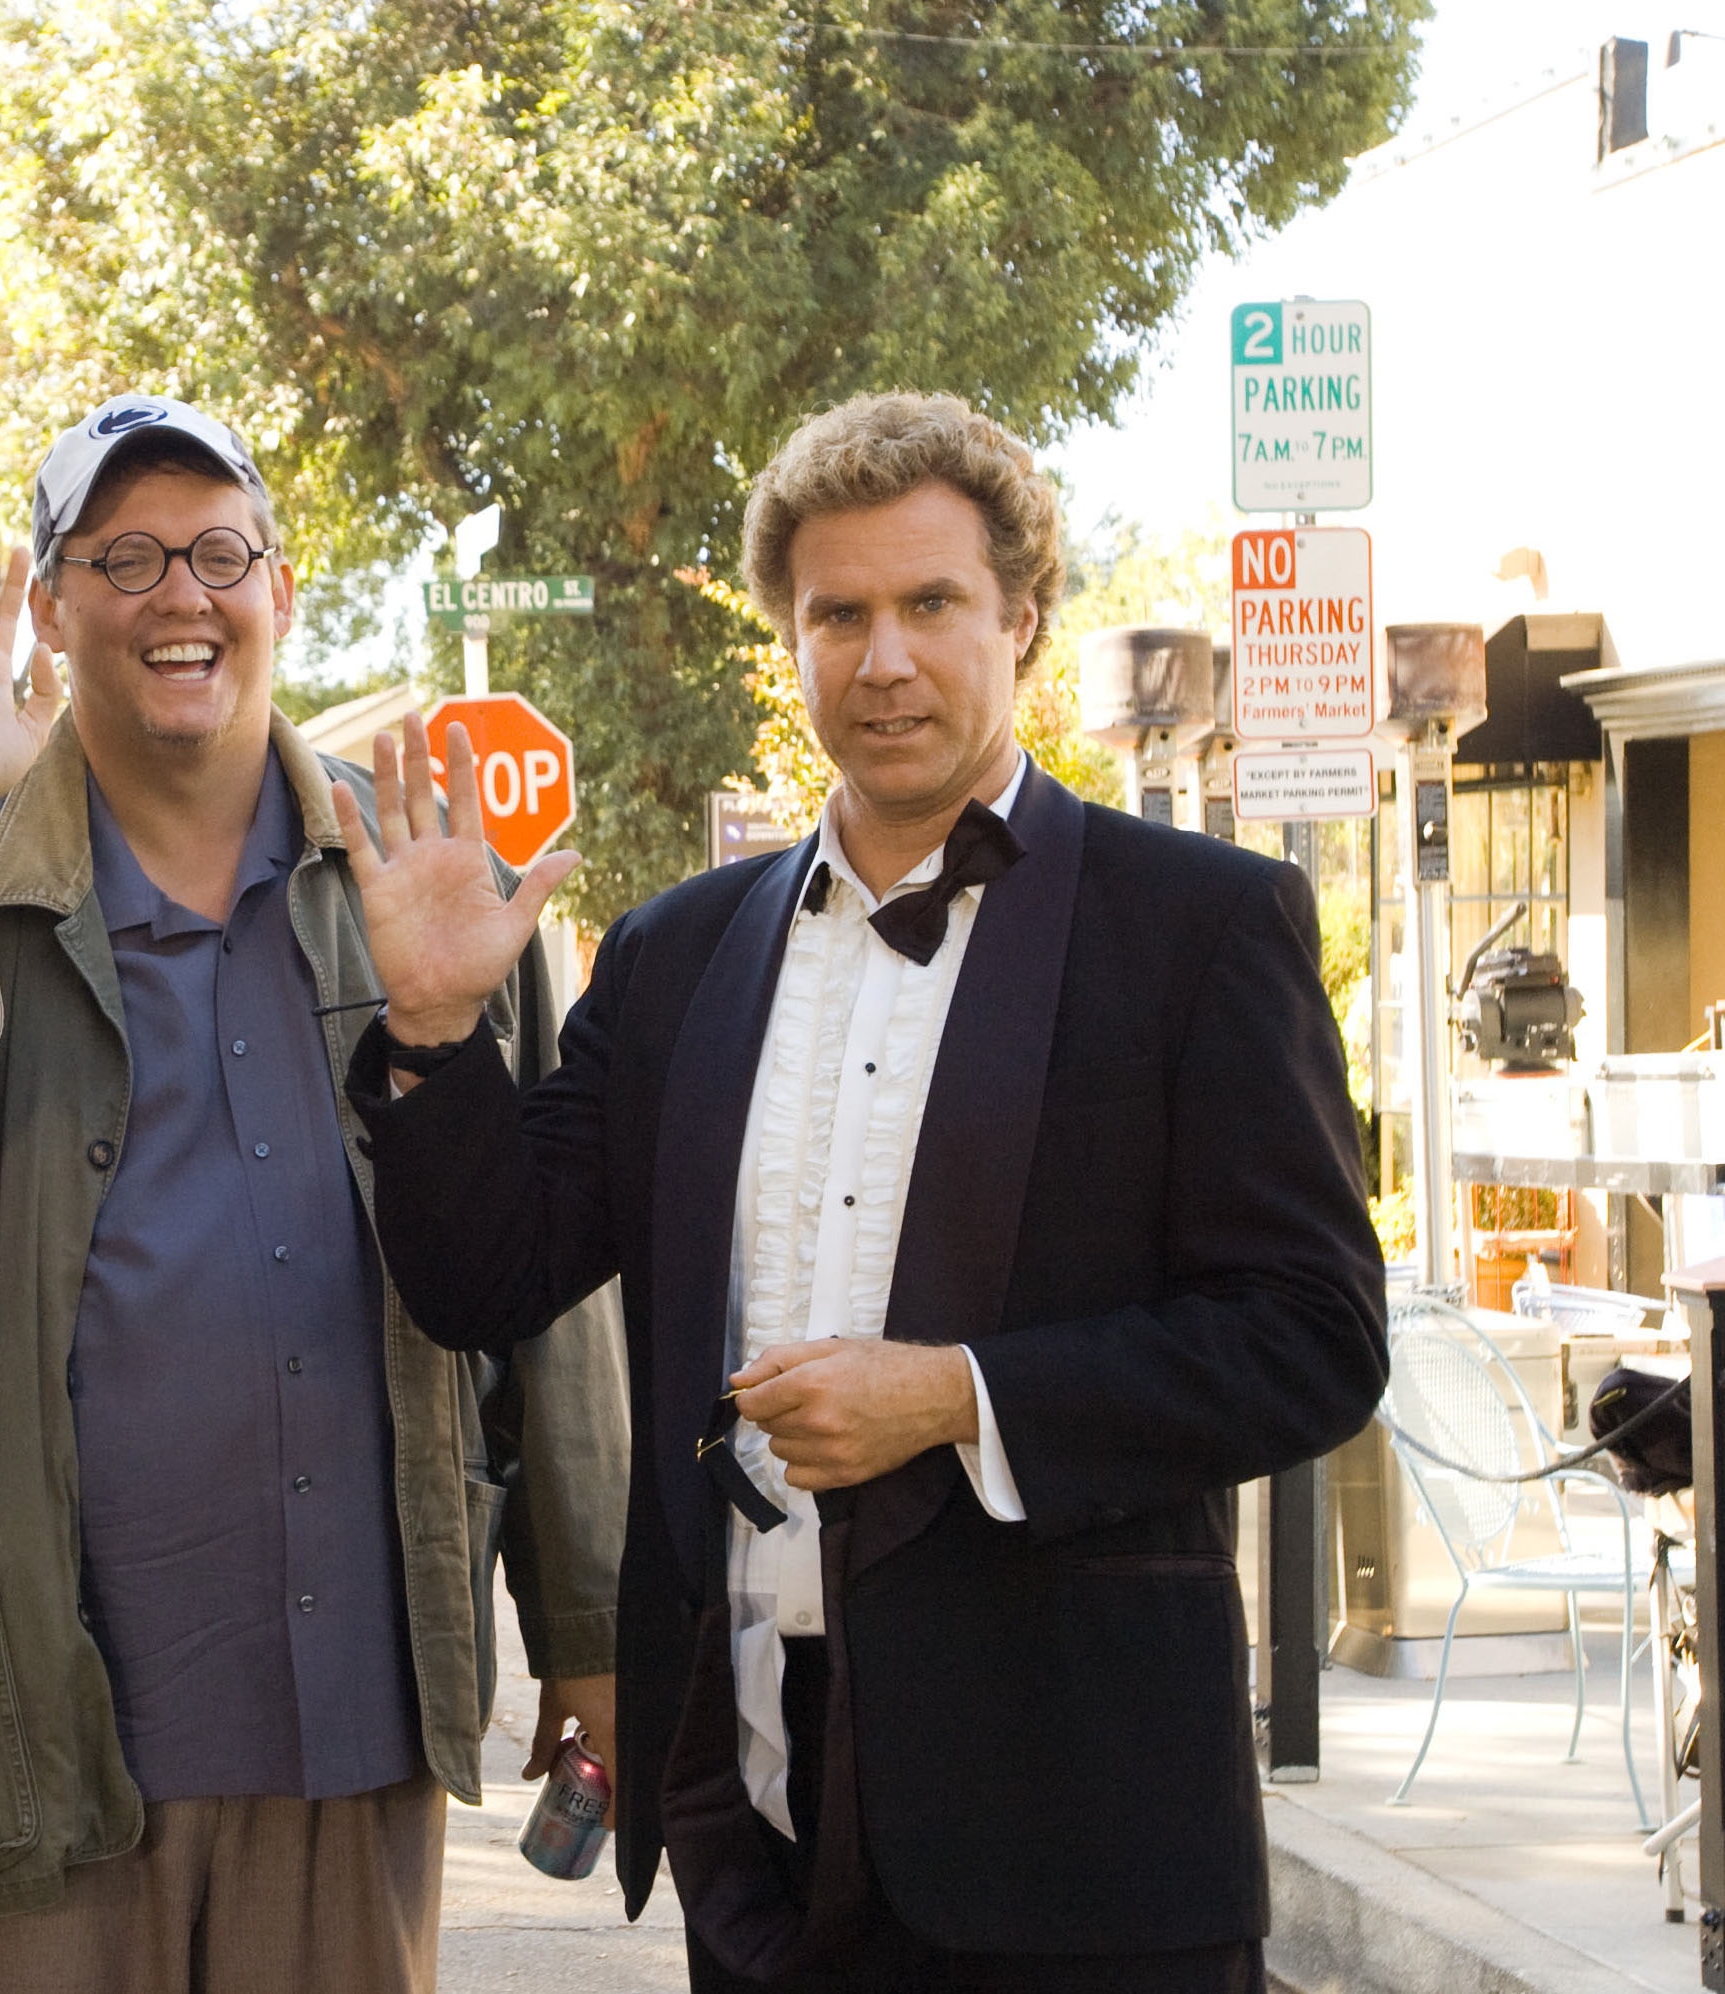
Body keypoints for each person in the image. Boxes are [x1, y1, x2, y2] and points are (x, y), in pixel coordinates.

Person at [337, 391, 1386, 1992]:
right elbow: (486, 1275)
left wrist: (960, 1397)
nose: (882, 657)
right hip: (753, 1805)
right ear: (792, 637)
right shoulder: (678, 953)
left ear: (1021, 617)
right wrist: (428, 1028)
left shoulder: (1201, 926)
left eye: (930, 604)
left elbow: (1312, 1336)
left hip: (1082, 1836)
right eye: (839, 614)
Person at [0, 394, 629, 1994]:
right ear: (52, 608)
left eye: (218, 551)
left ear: (282, 583)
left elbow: (550, 1283)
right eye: (123, 556)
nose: (179, 596)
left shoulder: (420, 871)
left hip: (351, 1704)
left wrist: (595, 1625)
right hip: (18, 1711)